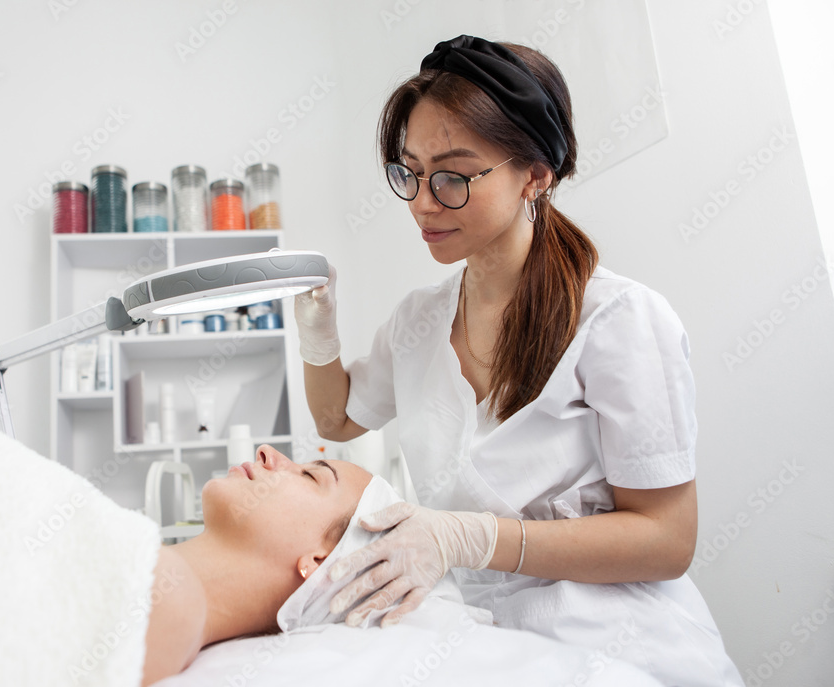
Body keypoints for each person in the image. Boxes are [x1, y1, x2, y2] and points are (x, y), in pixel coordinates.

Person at [294, 35, 744, 686]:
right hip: (493, 653)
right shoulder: (419, 322)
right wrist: (318, 333)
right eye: (408, 172)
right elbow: (337, 419)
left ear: (536, 173)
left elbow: (667, 540)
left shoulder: (618, 320)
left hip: (627, 650)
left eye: (452, 175)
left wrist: (469, 537)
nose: (423, 200)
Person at [142, 444, 372, 685]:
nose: (265, 451)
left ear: (319, 565)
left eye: (310, 476)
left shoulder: (167, 602)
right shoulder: (160, 575)